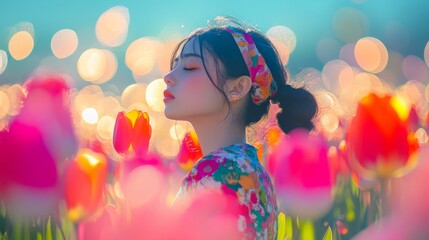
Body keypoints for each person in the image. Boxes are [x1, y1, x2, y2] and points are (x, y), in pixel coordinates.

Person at [163, 16, 317, 240]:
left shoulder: (216, 171)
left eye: (189, 67)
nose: (168, 77)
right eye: (175, 66)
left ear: (238, 87)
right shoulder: (252, 170)